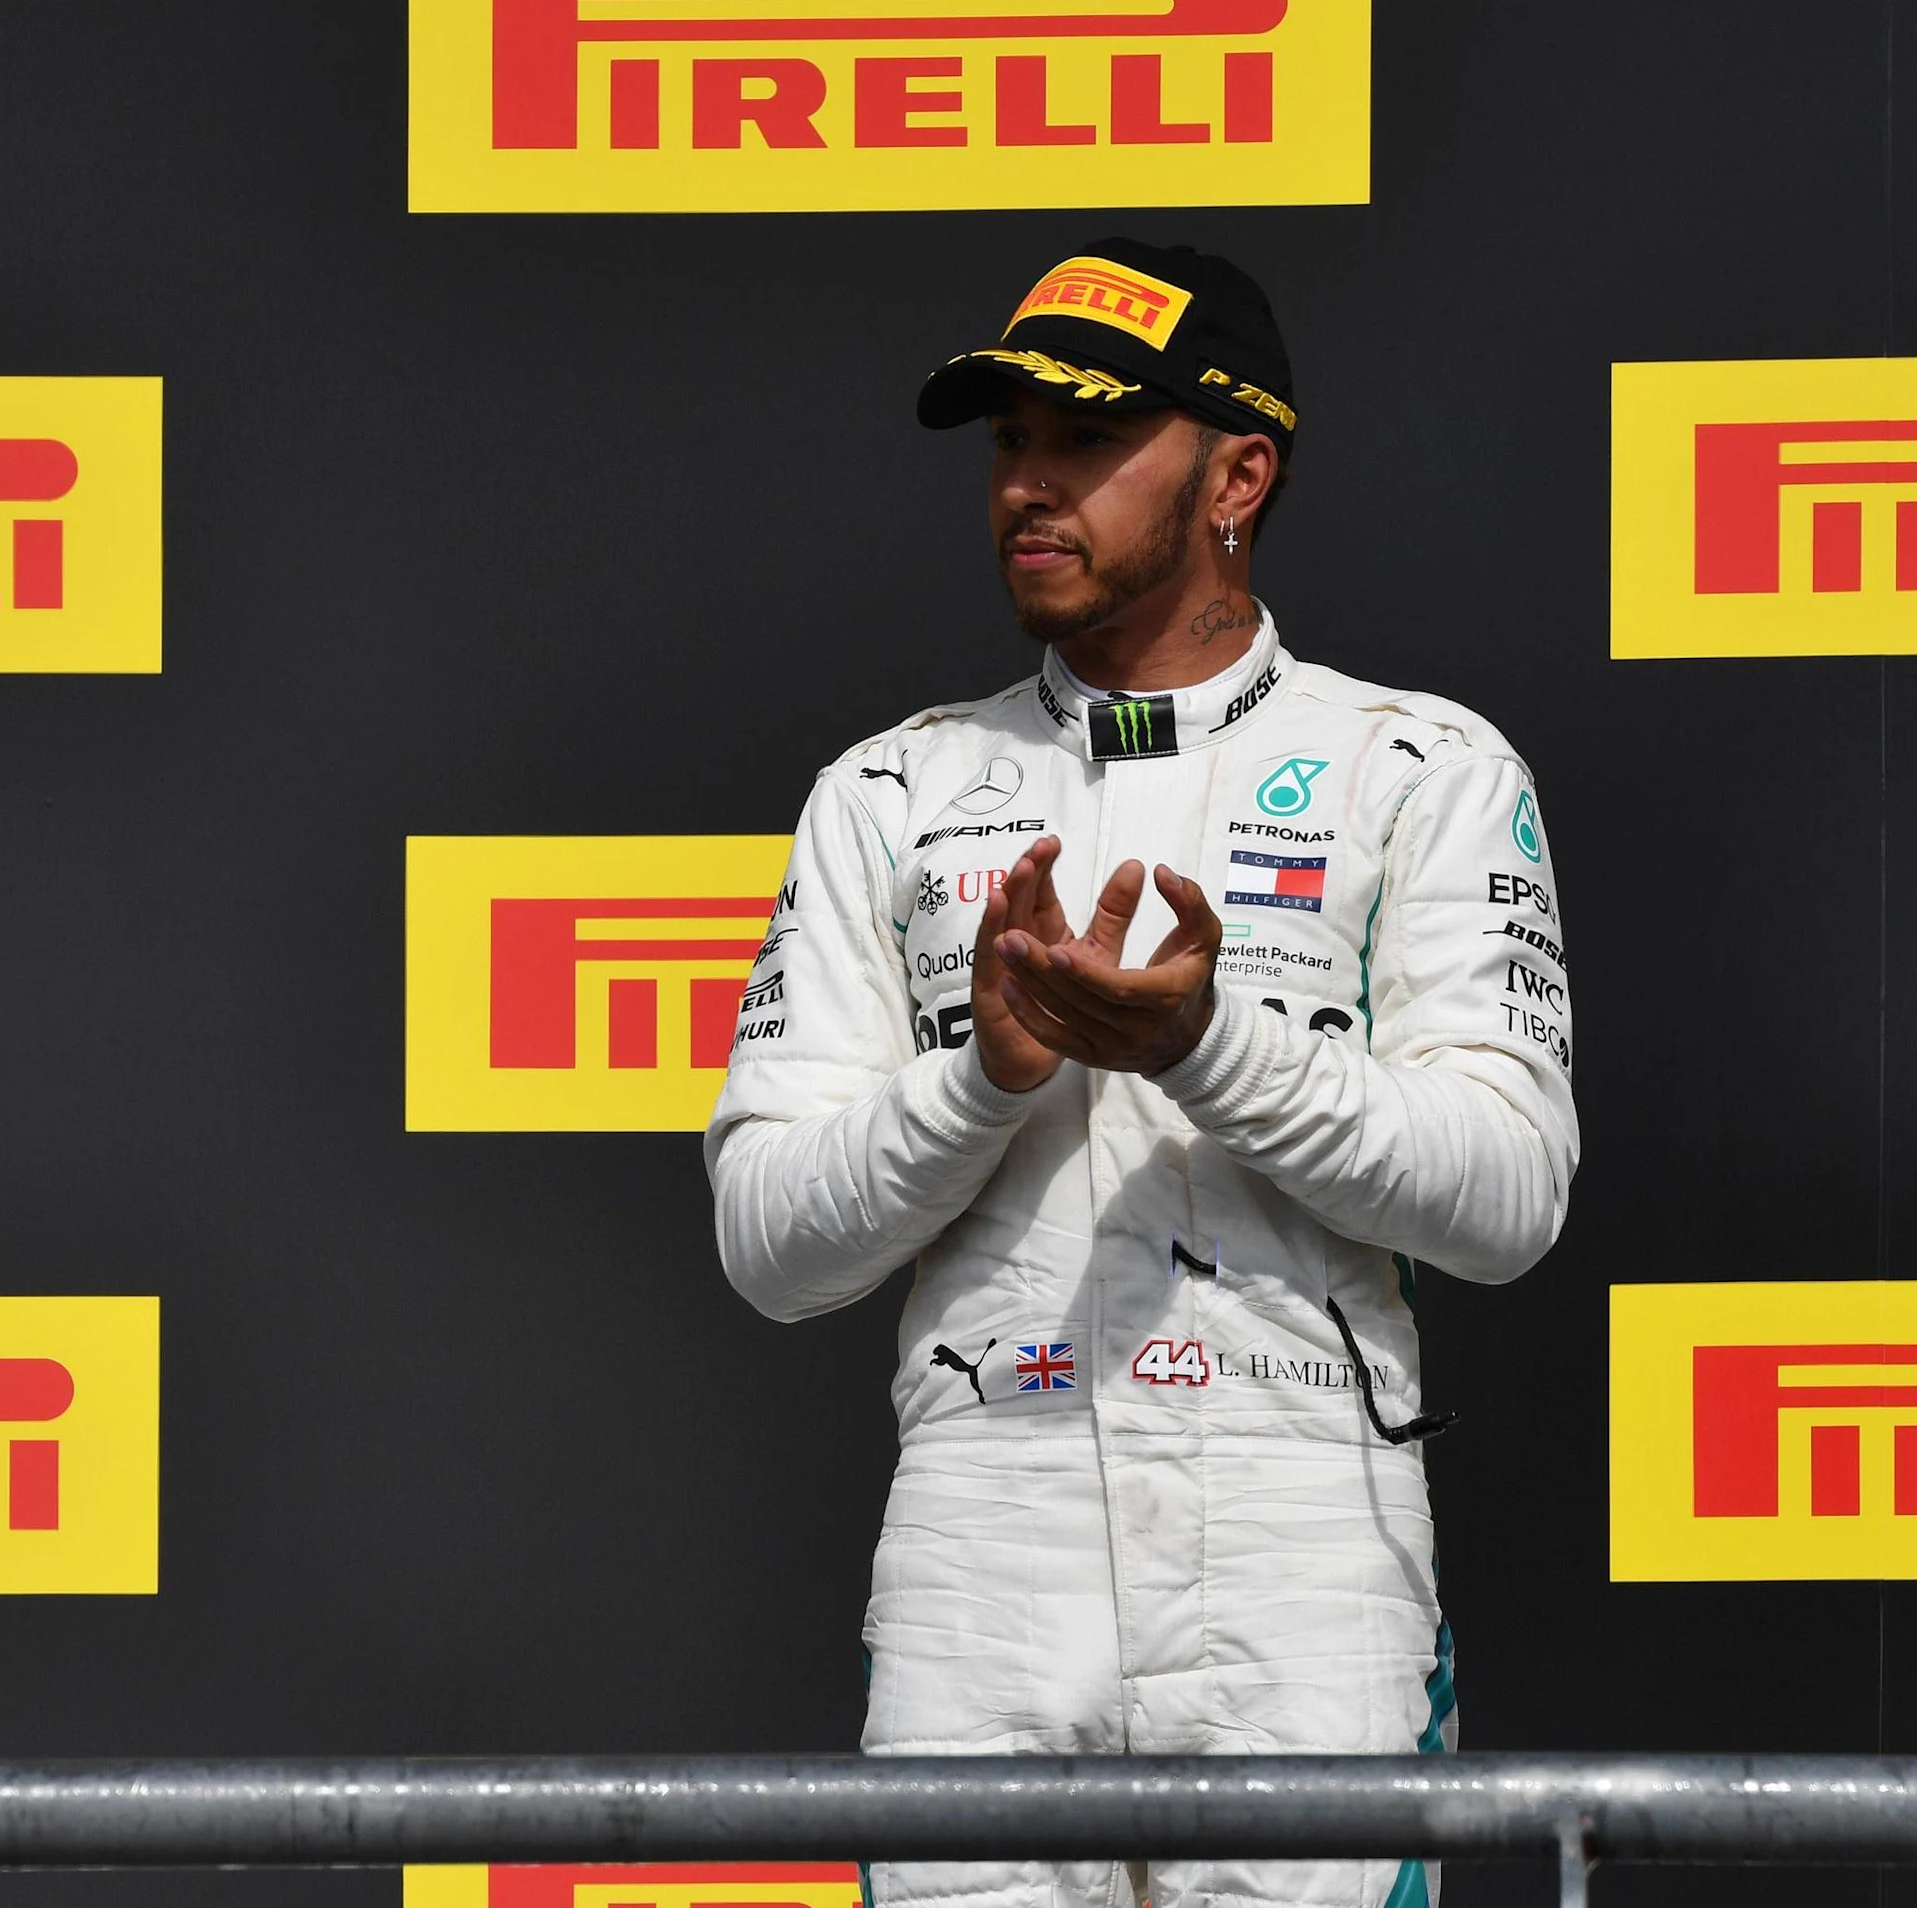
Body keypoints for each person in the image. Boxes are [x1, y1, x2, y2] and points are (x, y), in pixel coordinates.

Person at [704, 239, 1579, 1908]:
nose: (1029, 485)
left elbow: (1508, 1195)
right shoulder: (890, 792)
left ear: (1239, 471)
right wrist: (980, 1080)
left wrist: (1206, 1045)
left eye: (1087, 440)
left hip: (1304, 1533)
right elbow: (769, 1245)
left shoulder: (1423, 766)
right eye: (1008, 443)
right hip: (981, 1540)